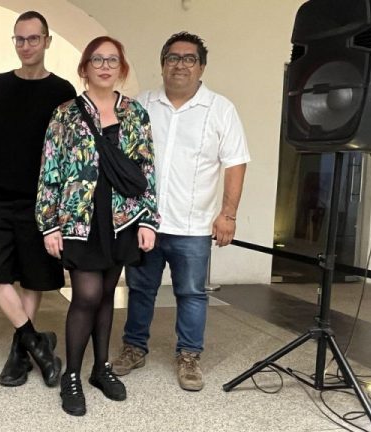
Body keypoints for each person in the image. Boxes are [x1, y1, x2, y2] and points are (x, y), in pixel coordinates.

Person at [112, 32, 250, 392]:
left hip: (193, 225)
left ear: (201, 67)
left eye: (189, 59)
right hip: (146, 222)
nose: (180, 65)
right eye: (173, 58)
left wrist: (228, 214)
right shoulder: (142, 104)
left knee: (191, 293)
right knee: (140, 289)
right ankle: (134, 347)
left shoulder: (220, 109)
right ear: (162, 64)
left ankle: (189, 356)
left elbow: (235, 162)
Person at [36, 36, 159, 416]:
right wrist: (49, 224)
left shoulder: (135, 113)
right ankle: (72, 375)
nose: (105, 66)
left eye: (112, 60)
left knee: (107, 294)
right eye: (97, 60)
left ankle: (100, 368)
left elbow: (147, 169)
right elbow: (50, 169)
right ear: (85, 67)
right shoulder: (65, 114)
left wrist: (148, 220)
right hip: (78, 218)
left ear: (121, 67)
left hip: (122, 218)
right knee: (86, 295)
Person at [0, 10, 76, 388]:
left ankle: (20, 353)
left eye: (34, 38)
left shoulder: (62, 90)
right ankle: (36, 342)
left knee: (33, 276)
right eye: (20, 38)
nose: (26, 45)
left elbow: (66, 151)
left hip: (41, 200)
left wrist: (59, 202)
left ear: (47, 41)